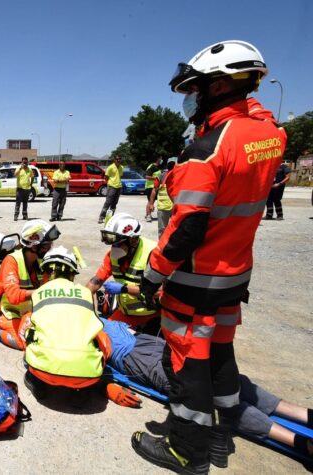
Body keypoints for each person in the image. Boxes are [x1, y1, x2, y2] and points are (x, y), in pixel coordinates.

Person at [134, 40, 287, 474]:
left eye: (197, 89)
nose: (192, 99)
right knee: (220, 356)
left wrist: (153, 275)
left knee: (187, 363)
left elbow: (186, 228)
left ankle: (187, 451)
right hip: (235, 275)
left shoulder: (206, 149)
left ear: (219, 86)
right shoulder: (267, 134)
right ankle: (219, 438)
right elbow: (263, 119)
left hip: (196, 278)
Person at [102, 318, 313, 462]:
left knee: (225, 383)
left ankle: (305, 417)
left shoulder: (90, 319)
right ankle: (300, 442)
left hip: (151, 345)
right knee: (213, 393)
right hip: (136, 356)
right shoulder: (84, 325)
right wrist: (106, 386)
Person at [22, 246, 141, 408]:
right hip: (88, 377)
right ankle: (82, 388)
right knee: (101, 334)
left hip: (43, 371)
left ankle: (35, 380)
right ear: (72, 274)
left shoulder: (39, 292)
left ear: (47, 273)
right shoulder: (85, 293)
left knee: (28, 323)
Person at [0, 219, 59, 350]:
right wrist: (42, 292)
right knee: (21, 342)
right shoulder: (11, 261)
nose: (50, 247)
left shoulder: (41, 262)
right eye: (46, 245)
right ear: (34, 245)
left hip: (25, 309)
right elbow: (13, 296)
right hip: (3, 308)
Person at [86, 213, 160, 334]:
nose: (114, 248)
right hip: (126, 314)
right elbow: (96, 281)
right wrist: (81, 299)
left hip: (153, 315)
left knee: (145, 348)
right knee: (102, 337)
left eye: (118, 243)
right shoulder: (113, 256)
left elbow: (160, 292)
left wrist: (125, 289)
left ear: (133, 240)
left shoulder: (153, 254)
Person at [146, 157, 177, 238]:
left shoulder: (179, 176)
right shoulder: (161, 176)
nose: (172, 166)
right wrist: (151, 204)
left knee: (176, 229)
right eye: (171, 164)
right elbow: (154, 191)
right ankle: (161, 248)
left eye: (173, 164)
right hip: (163, 207)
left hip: (176, 207)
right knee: (162, 229)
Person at [98, 155, 124, 224]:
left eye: (120, 159)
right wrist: (109, 185)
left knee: (114, 204)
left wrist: (118, 184)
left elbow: (120, 177)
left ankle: (110, 217)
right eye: (117, 159)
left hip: (119, 187)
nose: (118, 160)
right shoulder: (110, 167)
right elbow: (106, 177)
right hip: (112, 187)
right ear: (114, 160)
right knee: (108, 203)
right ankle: (101, 217)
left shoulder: (121, 167)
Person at [13, 157, 33, 221]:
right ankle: (16, 216)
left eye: (26, 162)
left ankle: (25, 215)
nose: (25, 164)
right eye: (24, 162)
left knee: (25, 203)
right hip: (20, 189)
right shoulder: (19, 168)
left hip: (27, 189)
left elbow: (32, 177)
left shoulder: (29, 169)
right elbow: (15, 174)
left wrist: (31, 184)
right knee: (18, 203)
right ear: (22, 162)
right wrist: (20, 168)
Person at [144, 157, 162, 222]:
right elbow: (147, 176)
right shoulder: (151, 166)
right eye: (160, 158)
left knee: (152, 201)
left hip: (155, 186)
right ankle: (148, 216)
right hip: (150, 186)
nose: (161, 160)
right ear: (157, 159)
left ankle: (148, 215)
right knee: (150, 201)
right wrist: (156, 178)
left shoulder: (158, 167)